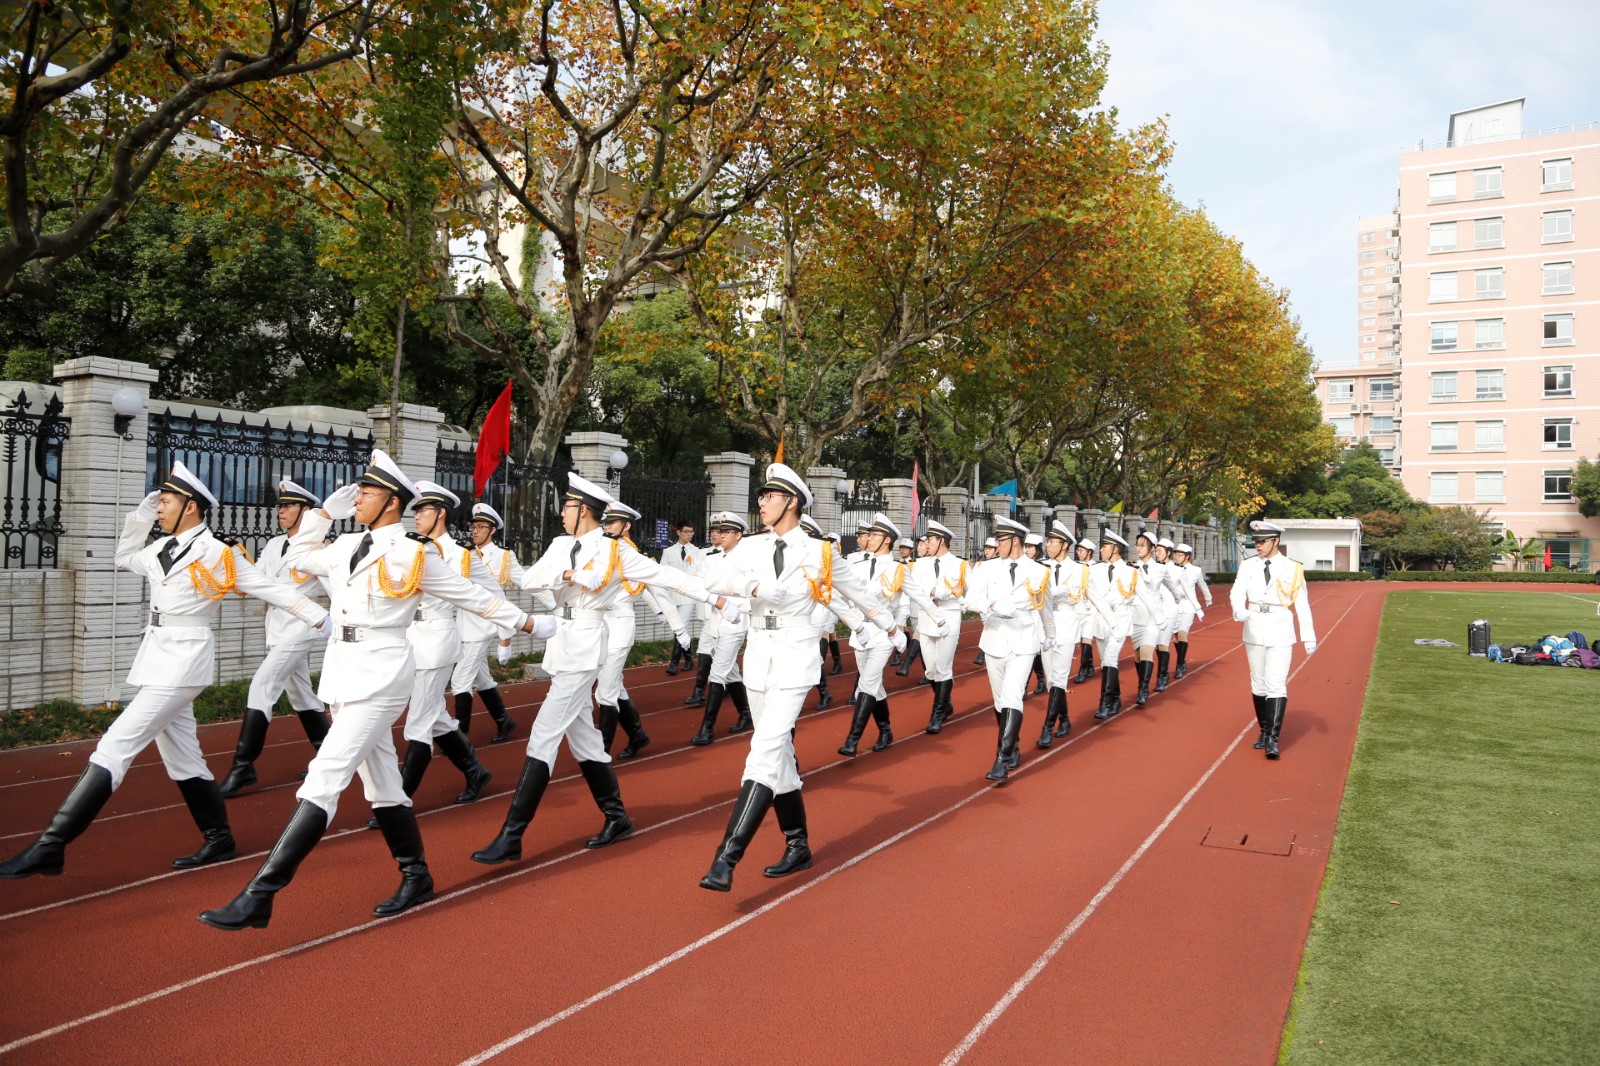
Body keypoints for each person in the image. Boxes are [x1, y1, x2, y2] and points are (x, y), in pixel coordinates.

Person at [198, 451, 547, 930]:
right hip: (343, 671)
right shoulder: (343, 546)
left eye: (366, 491)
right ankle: (416, 874)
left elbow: (474, 597)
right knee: (382, 783)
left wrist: (528, 623)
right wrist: (321, 516)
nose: (357, 496)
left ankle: (260, 894)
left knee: (324, 777)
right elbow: (297, 559)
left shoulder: (413, 553)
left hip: (383, 673)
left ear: (392, 502)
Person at [1, 463, 332, 880]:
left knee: (115, 745)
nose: (159, 508)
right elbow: (123, 558)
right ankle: (218, 838)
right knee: (184, 759)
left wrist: (326, 623)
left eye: (166, 501)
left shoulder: (219, 552)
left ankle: (51, 846)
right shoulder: (160, 548)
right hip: (157, 655)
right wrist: (138, 518)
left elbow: (276, 590)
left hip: (184, 660)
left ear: (190, 506)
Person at [472, 475, 734, 866]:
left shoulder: (615, 552)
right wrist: (567, 575)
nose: (561, 512)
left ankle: (512, 835)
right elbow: (528, 580)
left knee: (543, 735)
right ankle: (617, 816)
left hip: (585, 642)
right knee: (586, 742)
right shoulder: (562, 545)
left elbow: (668, 578)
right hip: (561, 637)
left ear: (585, 512)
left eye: (567, 507)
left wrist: (715, 599)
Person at [697, 464, 905, 892]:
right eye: (761, 496)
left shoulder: (820, 552)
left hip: (795, 656)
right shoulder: (752, 547)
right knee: (781, 758)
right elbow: (711, 576)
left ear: (791, 501)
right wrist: (754, 589)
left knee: (766, 748)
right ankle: (798, 844)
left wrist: (889, 628)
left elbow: (860, 596)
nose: (761, 503)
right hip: (757, 654)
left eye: (769, 497)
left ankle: (726, 858)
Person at [216, 479, 333, 797]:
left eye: (288, 506)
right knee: (302, 698)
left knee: (262, 686)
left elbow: (338, 590)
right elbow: (256, 583)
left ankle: (244, 767)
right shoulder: (272, 546)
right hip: (277, 629)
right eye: (280, 505)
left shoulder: (319, 550)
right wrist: (232, 555)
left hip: (300, 629)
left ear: (306, 512)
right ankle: (330, 756)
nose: (280, 511)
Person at [389, 481, 496, 809]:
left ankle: (398, 800)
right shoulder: (410, 547)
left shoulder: (461, 556)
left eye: (423, 510)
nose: (417, 515)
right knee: (433, 714)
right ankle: (474, 770)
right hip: (410, 640)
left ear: (442, 513)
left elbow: (493, 595)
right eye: (416, 509)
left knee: (417, 723)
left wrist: (501, 631)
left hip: (436, 642)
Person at [835, 513, 944, 757]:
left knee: (867, 683)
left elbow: (918, 596)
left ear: (886, 540)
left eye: (873, 535)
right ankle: (885, 730)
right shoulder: (856, 565)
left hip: (884, 632)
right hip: (859, 632)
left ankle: (852, 739)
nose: (867, 538)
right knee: (874, 686)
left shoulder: (897, 570)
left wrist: (939, 617)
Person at [596, 500, 693, 757]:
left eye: (612, 523)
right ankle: (637, 734)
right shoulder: (601, 551)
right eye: (605, 522)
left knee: (605, 691)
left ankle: (599, 753)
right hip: (598, 625)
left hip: (620, 625)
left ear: (626, 526)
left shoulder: (633, 556)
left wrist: (678, 627)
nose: (606, 526)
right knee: (614, 686)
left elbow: (657, 590)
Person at [961, 516, 1053, 783]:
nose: (995, 545)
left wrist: (1051, 635)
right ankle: (1012, 744)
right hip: (994, 637)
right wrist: (991, 605)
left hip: (1024, 639)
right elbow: (969, 599)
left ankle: (1001, 758)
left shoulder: (1038, 571)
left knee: (1013, 696)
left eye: (1000, 540)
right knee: (1000, 700)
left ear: (1016, 541)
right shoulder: (987, 569)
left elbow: (1045, 607)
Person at [1229, 520, 1317, 759]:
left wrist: (1308, 636)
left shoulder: (1292, 568)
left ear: (1276, 541)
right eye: (1255, 541)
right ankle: (1264, 729)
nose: (1257, 545)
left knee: (1276, 684)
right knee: (1258, 684)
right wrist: (1238, 609)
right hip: (1254, 625)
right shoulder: (1247, 566)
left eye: (1262, 541)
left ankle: (1272, 739)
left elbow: (1302, 604)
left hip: (1280, 626)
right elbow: (1236, 591)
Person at [454, 502, 523, 744]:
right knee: (481, 678)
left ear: (492, 530)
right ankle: (504, 720)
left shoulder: (504, 556)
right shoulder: (465, 554)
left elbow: (522, 584)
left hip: (483, 626)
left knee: (460, 681)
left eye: (481, 526)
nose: (475, 531)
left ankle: (460, 738)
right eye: (473, 526)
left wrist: (506, 635)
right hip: (463, 623)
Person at [1038, 521, 1107, 748]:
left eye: (1053, 542)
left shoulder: (1080, 570)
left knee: (1059, 677)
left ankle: (1047, 727)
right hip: (1045, 625)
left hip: (1067, 624)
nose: (1048, 545)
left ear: (1065, 545)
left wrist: (1112, 622)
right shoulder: (1040, 567)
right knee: (1052, 680)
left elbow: (1089, 596)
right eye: (1048, 541)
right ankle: (1065, 720)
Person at [690, 511, 754, 744]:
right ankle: (746, 713)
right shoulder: (714, 558)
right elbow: (703, 585)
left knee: (717, 673)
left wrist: (738, 603)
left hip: (735, 620)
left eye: (727, 531)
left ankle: (706, 728)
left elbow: (751, 588)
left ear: (739, 535)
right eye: (719, 531)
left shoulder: (747, 560)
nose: (721, 535)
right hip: (715, 619)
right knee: (731, 672)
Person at [911, 520, 968, 734]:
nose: (927, 543)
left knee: (943, 668)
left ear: (941, 541)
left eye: (931, 539)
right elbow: (915, 588)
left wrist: (947, 593)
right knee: (930, 670)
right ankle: (946, 703)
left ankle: (937, 713)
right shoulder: (921, 564)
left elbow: (970, 591)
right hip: (927, 618)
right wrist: (934, 591)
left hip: (949, 617)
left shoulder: (959, 565)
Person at [1089, 529, 1151, 721]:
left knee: (1110, 658)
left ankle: (1105, 703)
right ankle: (1115, 697)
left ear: (1115, 549)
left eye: (1104, 546)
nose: (1101, 550)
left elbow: (1145, 596)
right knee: (1106, 661)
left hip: (1120, 620)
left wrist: (1159, 619)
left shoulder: (1131, 572)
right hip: (1101, 621)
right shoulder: (1094, 569)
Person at [662, 519, 703, 679]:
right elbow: (662, 574)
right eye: (686, 531)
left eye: (691, 532)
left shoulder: (697, 551)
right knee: (679, 627)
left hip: (688, 596)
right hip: (673, 595)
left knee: (681, 625)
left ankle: (673, 663)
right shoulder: (668, 552)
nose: (689, 535)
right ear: (678, 532)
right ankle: (688, 658)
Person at [1169, 542, 1211, 679]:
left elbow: (1202, 585)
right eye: (1176, 554)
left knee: (1182, 633)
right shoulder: (1171, 569)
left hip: (1188, 606)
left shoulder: (1195, 570)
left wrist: (1208, 598)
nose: (1177, 557)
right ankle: (1183, 659)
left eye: (1180, 555)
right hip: (1174, 605)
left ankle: (1180, 664)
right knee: (1175, 637)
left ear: (1187, 556)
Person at [1071, 535, 1099, 684]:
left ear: (1089, 552)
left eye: (1081, 550)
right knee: (1082, 639)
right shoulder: (1076, 567)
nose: (1078, 553)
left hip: (1091, 608)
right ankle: (1089, 664)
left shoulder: (1097, 568)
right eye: (1078, 550)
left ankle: (1082, 669)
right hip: (1078, 606)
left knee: (1087, 637)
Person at [973, 536, 998, 666]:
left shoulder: (1001, 564)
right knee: (988, 628)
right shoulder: (980, 564)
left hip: (994, 603)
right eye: (986, 548)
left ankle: (982, 654)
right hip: (982, 602)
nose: (987, 551)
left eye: (990, 548)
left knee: (990, 628)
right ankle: (984, 653)